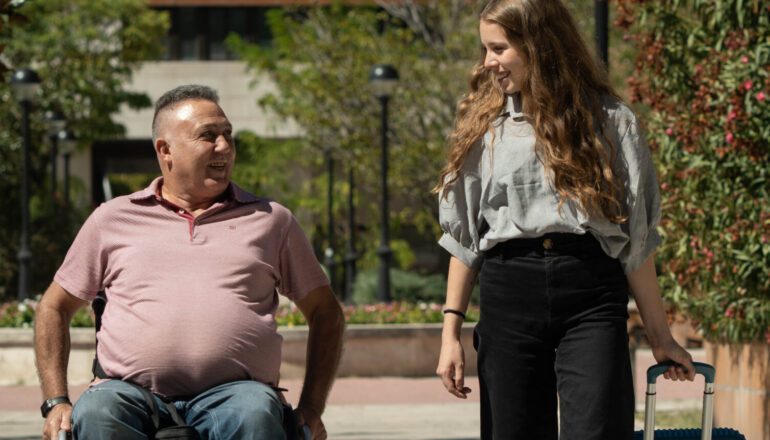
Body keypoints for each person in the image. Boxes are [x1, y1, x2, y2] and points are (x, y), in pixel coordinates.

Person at [434, 1, 695, 439]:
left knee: (597, 430)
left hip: (590, 296)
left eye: (499, 48)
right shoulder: (485, 128)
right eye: (486, 49)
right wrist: (450, 335)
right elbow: (464, 239)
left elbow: (636, 241)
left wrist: (660, 336)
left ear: (537, 44)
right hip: (508, 295)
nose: (488, 63)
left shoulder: (611, 123)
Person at [34, 84, 345, 440]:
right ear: (165, 150)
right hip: (126, 393)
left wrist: (312, 407)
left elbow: (325, 311)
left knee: (256, 413)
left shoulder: (272, 219)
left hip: (236, 395)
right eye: (208, 136)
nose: (225, 147)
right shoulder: (112, 218)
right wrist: (56, 401)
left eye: (228, 135)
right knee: (98, 412)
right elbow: (53, 307)